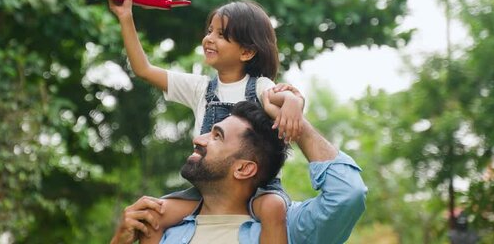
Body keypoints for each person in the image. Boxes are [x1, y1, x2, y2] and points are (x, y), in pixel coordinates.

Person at [108, 0, 304, 243]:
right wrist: (126, 16)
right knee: (152, 216)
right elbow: (143, 69)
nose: (209, 39)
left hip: (258, 190)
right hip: (208, 190)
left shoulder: (258, 86)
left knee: (273, 209)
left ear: (246, 52)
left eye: (221, 35)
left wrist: (293, 102)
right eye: (209, 31)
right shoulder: (200, 89)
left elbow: (285, 97)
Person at [111, 100, 367, 244]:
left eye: (216, 136)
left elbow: (348, 193)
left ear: (244, 168)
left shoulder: (286, 228)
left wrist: (294, 124)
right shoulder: (163, 228)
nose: (198, 139)